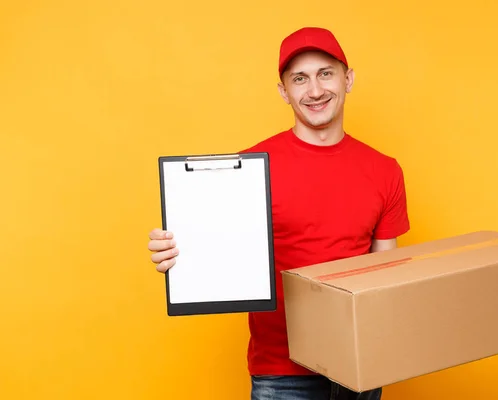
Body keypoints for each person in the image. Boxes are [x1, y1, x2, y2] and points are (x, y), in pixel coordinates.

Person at [148, 26, 410, 400]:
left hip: (360, 363)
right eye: (300, 79)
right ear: (283, 91)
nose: (315, 90)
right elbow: (210, 247)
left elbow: (386, 274)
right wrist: (176, 253)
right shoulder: (247, 170)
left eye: (326, 73)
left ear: (348, 79)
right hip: (282, 371)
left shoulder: (385, 170)